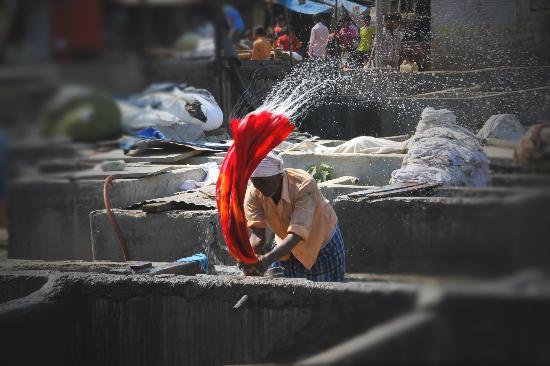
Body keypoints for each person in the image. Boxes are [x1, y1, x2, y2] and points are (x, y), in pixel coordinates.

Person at [241, 153, 346, 282]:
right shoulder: (253, 193)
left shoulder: (304, 184)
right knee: (284, 295)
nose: (261, 187)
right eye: (255, 182)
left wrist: (266, 260)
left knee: (323, 297)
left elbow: (297, 234)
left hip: (319, 243)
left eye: (264, 182)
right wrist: (248, 258)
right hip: (284, 246)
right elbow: (258, 236)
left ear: (280, 175)